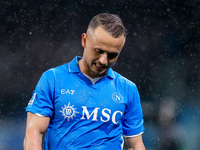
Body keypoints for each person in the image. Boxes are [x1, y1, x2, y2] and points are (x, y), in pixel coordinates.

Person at [23, 13, 145, 150]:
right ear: (84, 40)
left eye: (112, 55)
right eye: (99, 51)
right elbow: (34, 133)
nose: (103, 61)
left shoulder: (128, 89)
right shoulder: (53, 79)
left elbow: (135, 145)